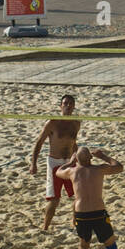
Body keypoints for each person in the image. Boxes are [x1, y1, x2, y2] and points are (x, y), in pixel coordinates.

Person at [55, 146, 123, 249]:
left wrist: (70, 162)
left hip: (82, 214)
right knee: (111, 246)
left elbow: (58, 172)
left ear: (77, 160)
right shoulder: (99, 169)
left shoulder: (72, 171)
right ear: (91, 158)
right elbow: (119, 167)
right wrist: (103, 156)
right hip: (98, 213)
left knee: (83, 246)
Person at [30, 94, 81, 231]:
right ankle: (45, 227)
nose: (68, 106)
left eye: (71, 103)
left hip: (70, 162)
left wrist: (78, 158)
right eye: (65, 103)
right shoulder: (52, 123)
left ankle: (75, 223)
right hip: (54, 163)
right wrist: (33, 163)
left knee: (78, 196)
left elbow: (73, 143)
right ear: (60, 106)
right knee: (54, 200)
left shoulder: (76, 123)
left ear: (74, 106)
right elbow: (39, 143)